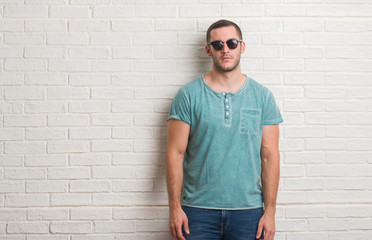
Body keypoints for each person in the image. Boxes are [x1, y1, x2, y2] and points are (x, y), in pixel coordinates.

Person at [165, 19, 283, 240]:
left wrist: (270, 211)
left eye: (232, 43)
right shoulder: (188, 95)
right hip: (196, 211)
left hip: (248, 212)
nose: (225, 49)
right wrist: (174, 207)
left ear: (242, 46)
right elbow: (175, 153)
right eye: (218, 45)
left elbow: (269, 157)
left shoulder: (262, 97)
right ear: (208, 50)